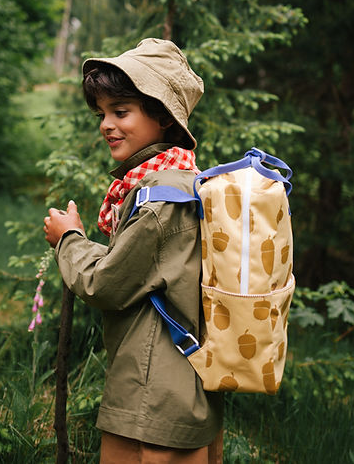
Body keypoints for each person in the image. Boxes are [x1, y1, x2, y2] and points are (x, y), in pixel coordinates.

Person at [44, 38, 224, 463]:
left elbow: (105, 283)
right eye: (102, 113)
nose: (107, 124)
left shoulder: (162, 198)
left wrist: (69, 239)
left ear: (162, 116)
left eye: (121, 111)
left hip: (154, 399)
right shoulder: (184, 182)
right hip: (183, 388)